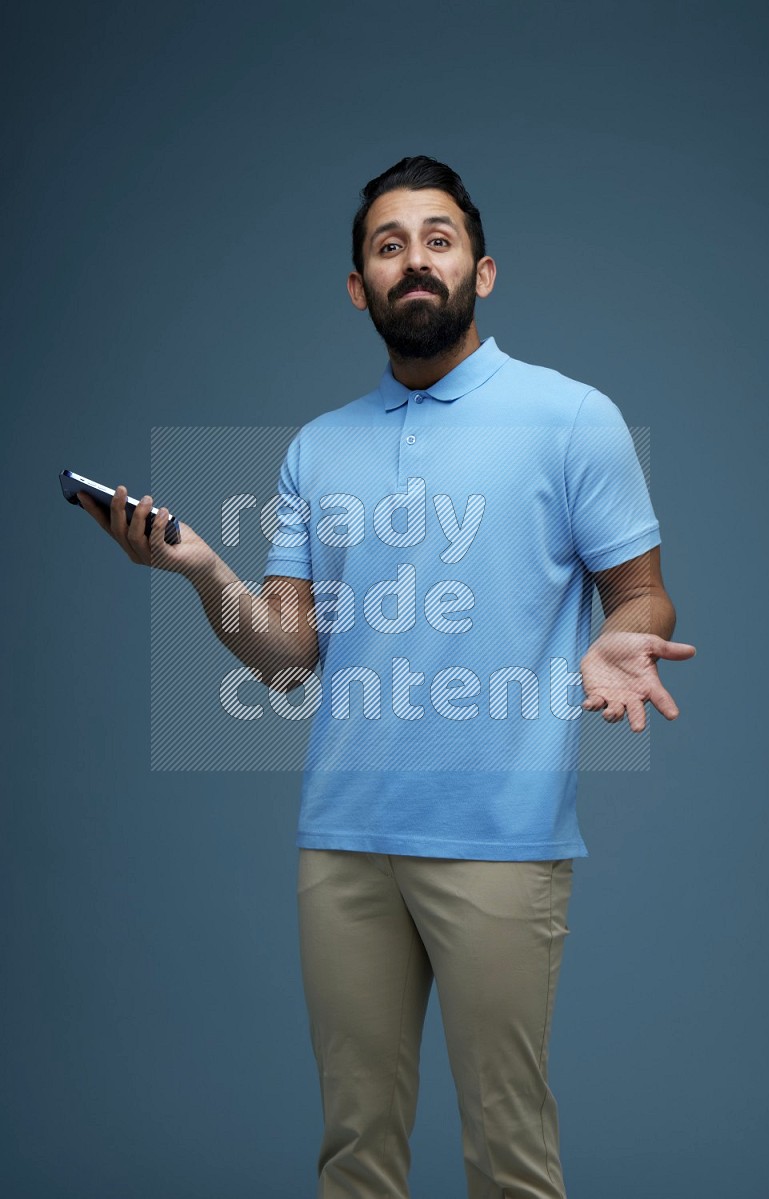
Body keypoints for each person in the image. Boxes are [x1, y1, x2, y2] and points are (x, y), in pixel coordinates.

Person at [77, 155, 696, 1199]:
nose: (416, 259)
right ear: (359, 286)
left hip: (500, 838)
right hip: (344, 842)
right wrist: (198, 569)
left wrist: (618, 634)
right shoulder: (318, 449)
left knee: (508, 1154)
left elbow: (641, 593)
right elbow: (286, 650)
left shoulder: (568, 416)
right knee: (354, 1150)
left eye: (438, 238)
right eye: (388, 243)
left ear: (481, 271)